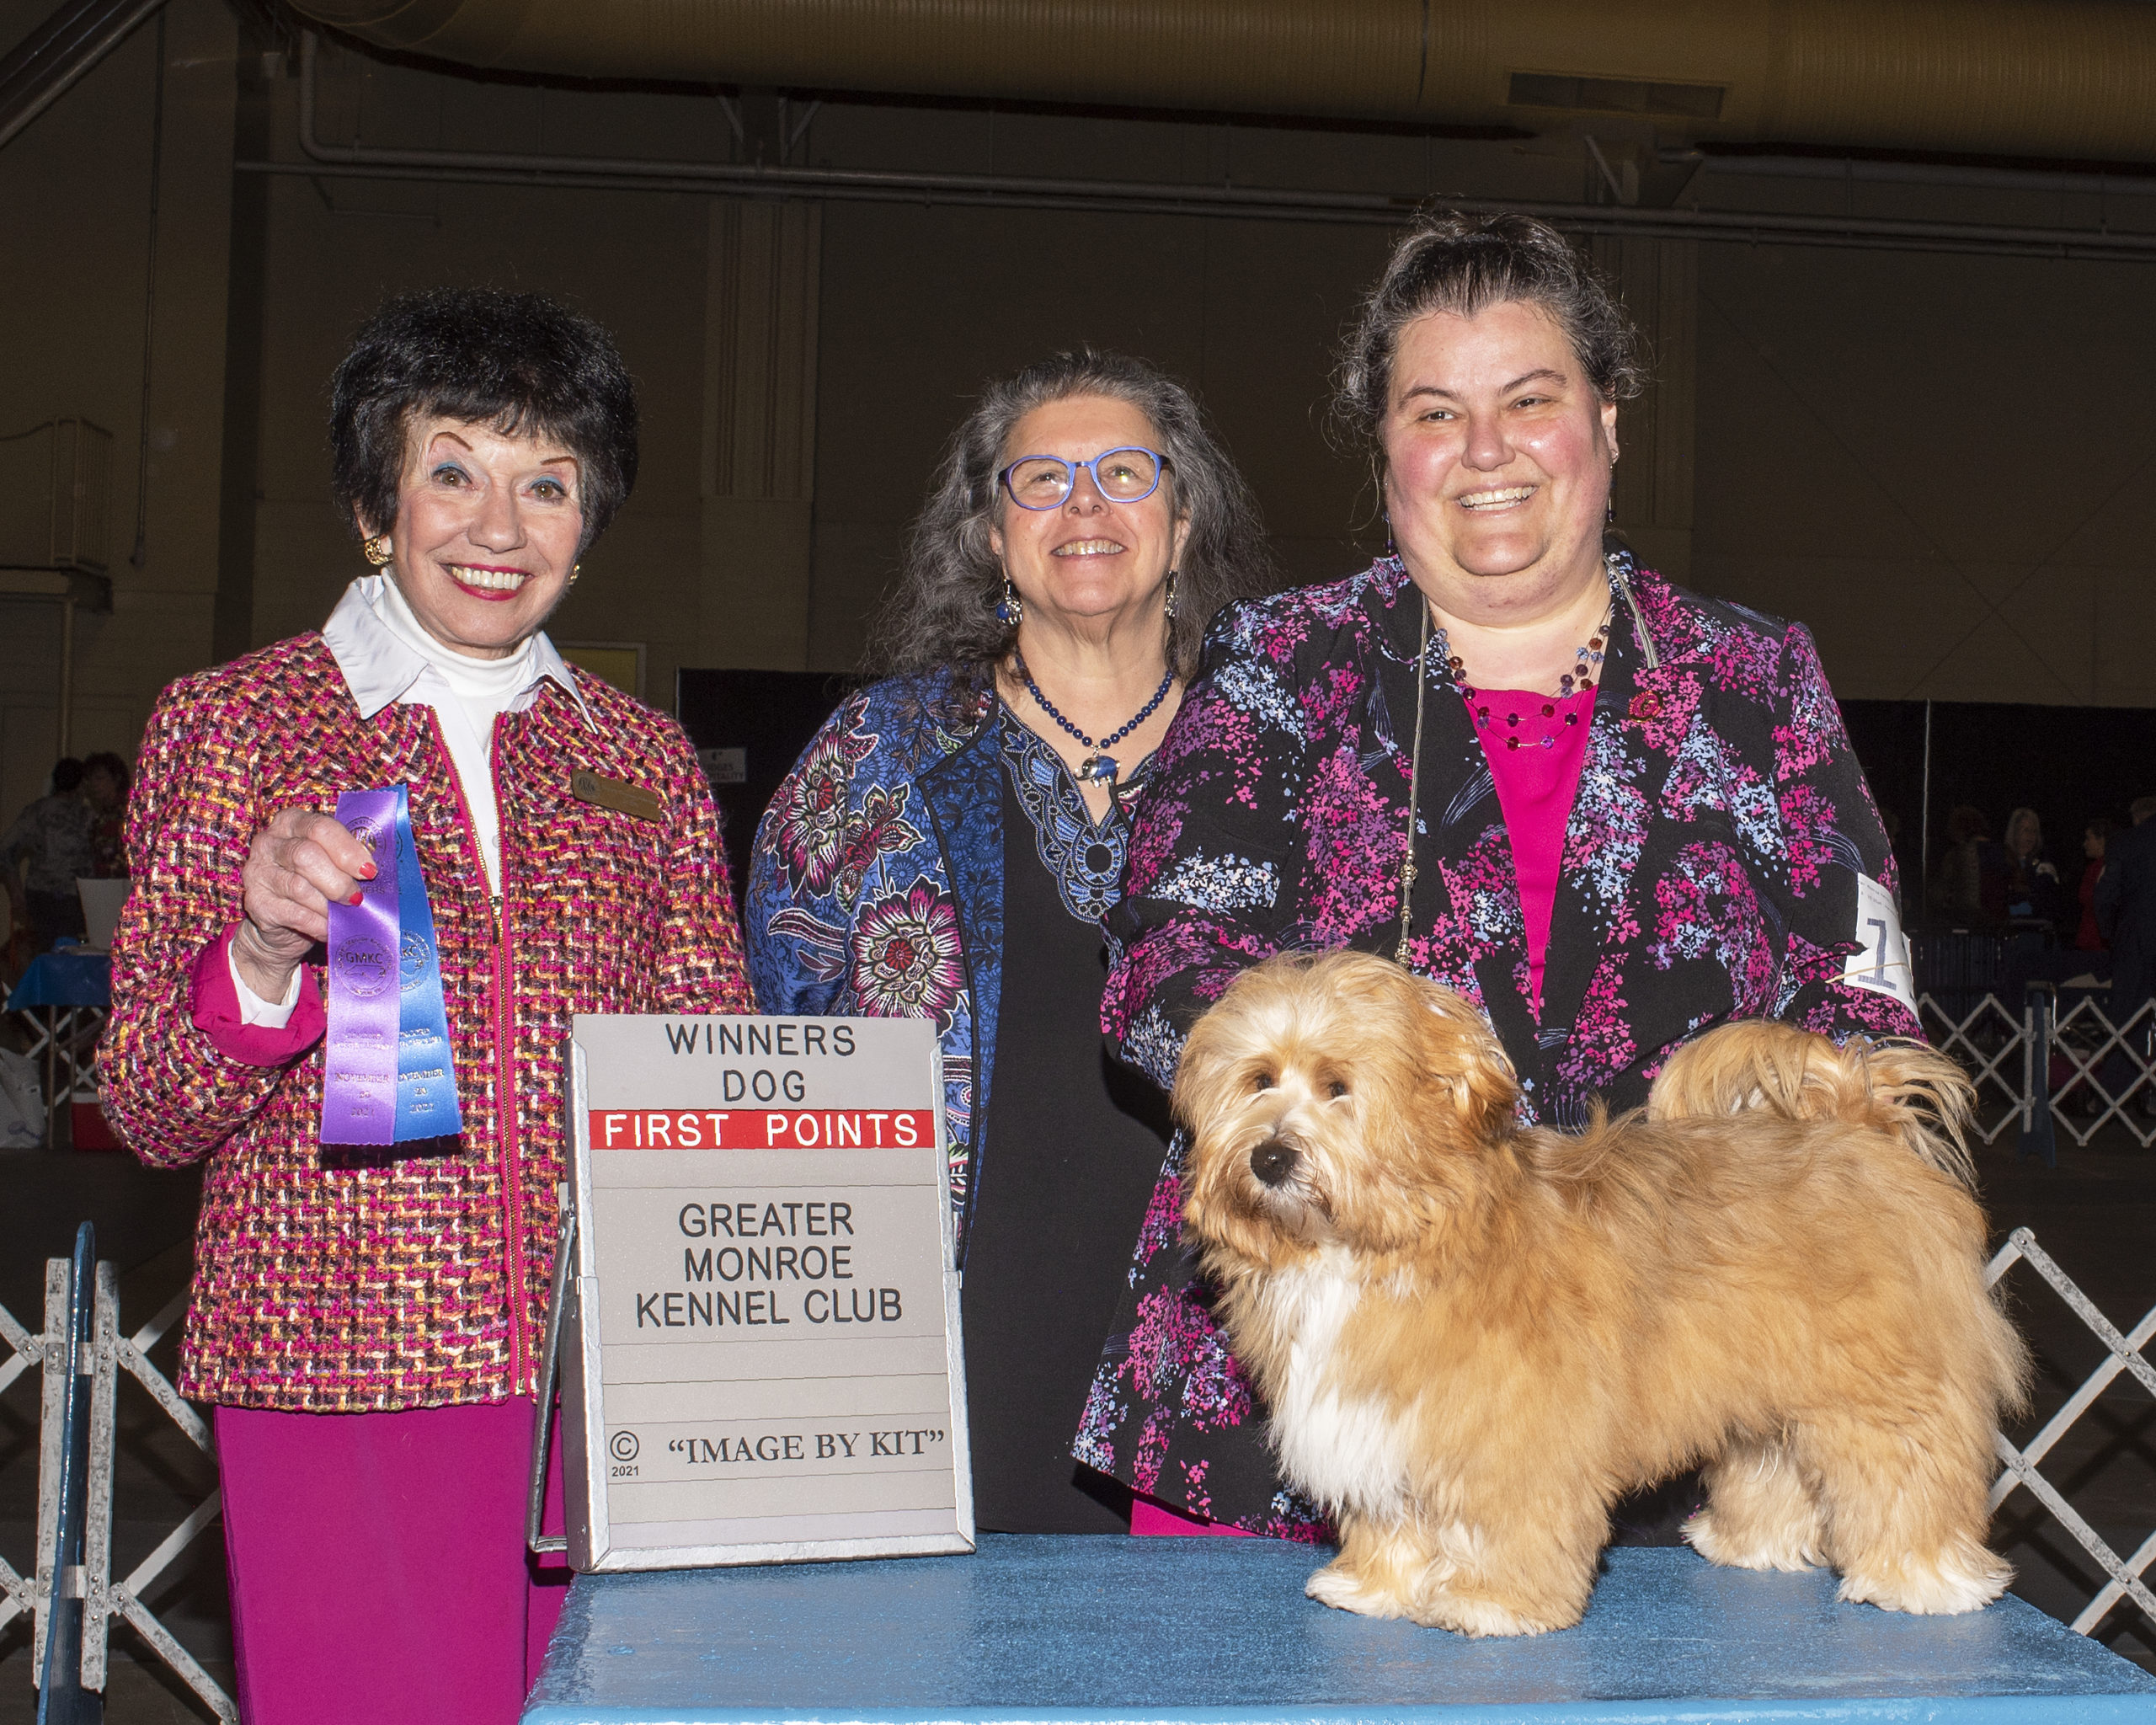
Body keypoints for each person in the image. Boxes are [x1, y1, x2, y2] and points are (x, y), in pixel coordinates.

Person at [1076, 211, 1920, 1538]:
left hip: (1659, 1418)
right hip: (1294, 1413)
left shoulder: (1758, 682)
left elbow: (1859, 1003)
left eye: (1531, 400)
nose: (1486, 452)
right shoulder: (1278, 667)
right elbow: (1159, 969)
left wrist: (1776, 1150)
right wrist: (1359, 1082)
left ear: (1610, 420)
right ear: (1384, 449)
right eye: (1434, 412)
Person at [99, 289, 753, 1724]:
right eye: (452, 468)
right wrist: (263, 944)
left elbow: (709, 1065)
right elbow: (146, 1102)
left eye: (548, 483)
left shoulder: (642, 762)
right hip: (343, 1369)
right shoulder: (238, 722)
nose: (498, 525)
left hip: (612, 1389)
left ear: (592, 522)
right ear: (372, 501)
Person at [744, 350, 1277, 1535]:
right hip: (943, 1366)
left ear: (1184, 523)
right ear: (991, 533)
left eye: (1125, 473)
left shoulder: (1285, 762)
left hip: (1233, 1365)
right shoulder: (872, 758)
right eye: (1040, 480)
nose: (1084, 506)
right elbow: (765, 1069)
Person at [3, 756, 94, 953]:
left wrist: (17, 895)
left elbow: (6, 851)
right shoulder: (88, 816)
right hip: (77, 899)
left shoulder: (36, 812)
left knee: (46, 955)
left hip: (40, 897)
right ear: (81, 784)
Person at [2002, 806, 2063, 932]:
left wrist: (2021, 892)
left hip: (2035, 931)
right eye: (2026, 830)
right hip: (2007, 931)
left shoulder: (2044, 865)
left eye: (2034, 831)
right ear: (2014, 832)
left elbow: (2045, 896)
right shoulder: (2002, 862)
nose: (2030, 836)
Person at [81, 750, 131, 879]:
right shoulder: (101, 815)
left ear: (117, 779)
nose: (94, 784)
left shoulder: (129, 811)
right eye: (90, 779)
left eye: (100, 778)